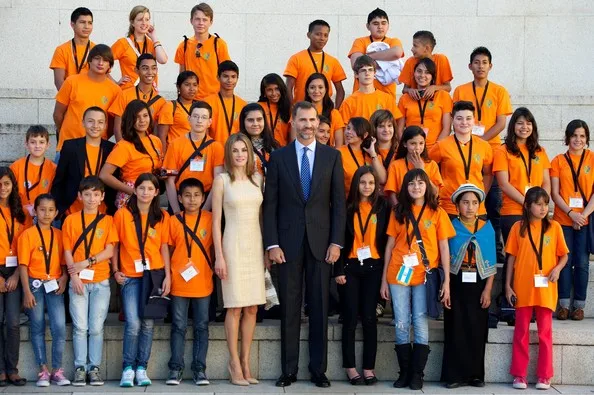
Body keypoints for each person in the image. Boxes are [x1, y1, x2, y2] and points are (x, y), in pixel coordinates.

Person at [263, 101, 346, 388]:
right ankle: (289, 370)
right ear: (294, 123)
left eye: (312, 120)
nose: (308, 125)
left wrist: (337, 242)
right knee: (289, 309)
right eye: (303, 120)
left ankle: (318, 370)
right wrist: (272, 244)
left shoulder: (332, 157)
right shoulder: (278, 158)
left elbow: (338, 205)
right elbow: (270, 206)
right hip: (287, 246)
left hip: (322, 245)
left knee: (320, 308)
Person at [380, 168, 454, 390]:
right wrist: (383, 279)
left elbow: (444, 247)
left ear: (427, 186)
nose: (416, 187)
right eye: (411, 183)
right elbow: (390, 245)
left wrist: (447, 281)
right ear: (405, 187)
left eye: (421, 183)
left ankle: (417, 374)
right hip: (398, 271)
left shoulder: (437, 212)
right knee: (402, 321)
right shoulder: (398, 211)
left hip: (425, 275)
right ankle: (404, 372)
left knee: (420, 321)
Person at [211, 133, 265, 386]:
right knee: (234, 307)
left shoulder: (257, 179)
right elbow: (215, 222)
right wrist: (219, 255)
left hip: (255, 246)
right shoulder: (221, 180)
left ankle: (246, 361)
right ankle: (233, 363)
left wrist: (266, 251)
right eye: (235, 150)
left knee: (252, 307)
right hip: (232, 245)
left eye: (244, 149)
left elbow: (262, 218)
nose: (240, 154)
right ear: (229, 154)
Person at [453, 46, 513, 264]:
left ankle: (496, 249)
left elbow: (501, 123)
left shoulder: (499, 91)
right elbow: (457, 119)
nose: (480, 66)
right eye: (476, 62)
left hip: (491, 153)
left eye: (484, 62)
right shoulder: (460, 90)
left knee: (492, 204)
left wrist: (479, 142)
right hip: (464, 152)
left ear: (490, 66)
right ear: (470, 66)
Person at [505, 187, 568, 390]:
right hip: (523, 286)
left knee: (545, 333)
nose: (543, 208)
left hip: (546, 288)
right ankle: (519, 375)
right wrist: (507, 285)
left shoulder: (555, 227)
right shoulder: (517, 227)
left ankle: (544, 375)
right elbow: (511, 258)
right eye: (538, 204)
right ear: (527, 205)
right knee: (521, 331)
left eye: (545, 204)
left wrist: (557, 269)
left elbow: (564, 255)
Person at [112, 173, 170, 387]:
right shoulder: (122, 214)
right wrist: (116, 270)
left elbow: (164, 247)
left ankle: (141, 367)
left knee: (147, 324)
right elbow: (115, 245)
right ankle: (127, 367)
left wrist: (168, 277)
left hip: (154, 275)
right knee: (133, 323)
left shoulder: (163, 217)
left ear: (156, 193)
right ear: (135, 190)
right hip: (130, 276)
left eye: (150, 189)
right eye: (142, 188)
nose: (146, 192)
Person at [334, 166, 388, 386]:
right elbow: (337, 239)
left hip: (374, 268)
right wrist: (338, 269)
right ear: (356, 183)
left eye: (371, 183)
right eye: (363, 182)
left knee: (369, 318)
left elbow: (388, 239)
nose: (367, 187)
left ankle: (368, 367)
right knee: (349, 319)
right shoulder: (346, 208)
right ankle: (350, 367)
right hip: (350, 266)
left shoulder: (383, 207)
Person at [62, 177, 118, 386]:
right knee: (80, 327)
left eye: (96, 194)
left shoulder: (107, 220)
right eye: (87, 194)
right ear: (79, 196)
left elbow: (110, 250)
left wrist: (87, 262)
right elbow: (67, 250)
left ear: (102, 197)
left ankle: (93, 368)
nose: (91, 199)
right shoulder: (70, 220)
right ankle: (79, 368)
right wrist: (74, 275)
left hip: (101, 279)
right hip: (78, 282)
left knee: (96, 327)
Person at [441, 184, 496, 388]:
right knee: (455, 328)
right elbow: (444, 258)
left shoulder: (487, 228)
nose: (470, 207)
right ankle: (454, 375)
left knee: (476, 328)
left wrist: (488, 290)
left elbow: (491, 260)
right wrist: (445, 286)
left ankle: (475, 375)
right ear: (457, 206)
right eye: (465, 203)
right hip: (456, 281)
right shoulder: (450, 227)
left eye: (474, 203)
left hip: (479, 283)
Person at [18, 194, 69, 387]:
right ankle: (43, 370)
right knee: (37, 326)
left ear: (56, 212)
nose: (46, 214)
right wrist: (27, 292)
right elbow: (23, 266)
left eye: (50, 210)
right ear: (35, 211)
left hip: (54, 285)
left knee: (59, 326)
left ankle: (57, 370)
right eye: (42, 209)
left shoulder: (60, 235)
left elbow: (65, 263)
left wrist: (64, 278)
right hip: (34, 285)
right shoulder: (27, 235)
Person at [166, 178, 213, 386]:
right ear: (179, 198)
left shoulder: (211, 219)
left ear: (203, 198)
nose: (192, 199)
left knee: (202, 326)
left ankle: (199, 369)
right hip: (178, 282)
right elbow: (166, 250)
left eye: (196, 195)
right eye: (187, 195)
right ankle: (175, 368)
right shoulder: (173, 220)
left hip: (203, 281)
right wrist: (167, 275)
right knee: (178, 326)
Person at [550, 120, 594, 320]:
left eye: (582, 136)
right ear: (567, 137)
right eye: (574, 135)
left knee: (582, 263)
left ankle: (579, 306)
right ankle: (564, 305)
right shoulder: (558, 161)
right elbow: (555, 193)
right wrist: (571, 214)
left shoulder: (592, 159)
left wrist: (582, 215)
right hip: (563, 220)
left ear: (587, 139)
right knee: (565, 262)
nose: (578, 139)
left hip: (585, 220)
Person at [494, 107, 551, 244]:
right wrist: (528, 203)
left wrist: (541, 203)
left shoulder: (540, 151)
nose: (524, 127)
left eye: (528, 123)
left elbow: (546, 182)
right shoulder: (502, 151)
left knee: (534, 253)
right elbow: (504, 184)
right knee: (515, 256)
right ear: (513, 126)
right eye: (520, 123)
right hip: (513, 210)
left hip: (536, 211)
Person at [430, 101, 493, 219]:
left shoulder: (484, 146)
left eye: (468, 118)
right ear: (453, 119)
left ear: (474, 120)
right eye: (459, 118)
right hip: (449, 206)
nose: (464, 122)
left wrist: (481, 195)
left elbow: (488, 174)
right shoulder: (441, 145)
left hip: (476, 208)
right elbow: (428, 168)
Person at [53, 44, 120, 154]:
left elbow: (113, 122)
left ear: (110, 66)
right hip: (68, 146)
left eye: (105, 60)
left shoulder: (115, 90)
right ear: (89, 61)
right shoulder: (71, 82)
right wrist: (64, 133)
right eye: (97, 58)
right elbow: (58, 114)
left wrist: (100, 136)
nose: (100, 63)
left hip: (96, 149)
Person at [52, 107, 116, 218]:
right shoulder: (70, 147)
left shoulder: (112, 149)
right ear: (83, 123)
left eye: (100, 122)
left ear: (105, 125)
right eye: (90, 121)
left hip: (102, 211)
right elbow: (59, 180)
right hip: (72, 211)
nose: (95, 126)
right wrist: (59, 208)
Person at [100, 100, 163, 209]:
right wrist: (133, 191)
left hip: (150, 194)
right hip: (131, 197)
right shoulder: (124, 146)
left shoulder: (156, 141)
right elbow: (104, 175)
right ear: (130, 120)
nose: (142, 120)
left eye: (145, 115)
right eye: (137, 117)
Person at [163, 101, 224, 213]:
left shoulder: (217, 147)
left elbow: (218, 180)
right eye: (195, 116)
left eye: (204, 117)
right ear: (189, 119)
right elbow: (169, 180)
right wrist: (177, 211)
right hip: (180, 198)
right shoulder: (175, 144)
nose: (199, 121)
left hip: (206, 199)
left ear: (210, 122)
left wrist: (205, 210)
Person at [0, 167, 27, 387]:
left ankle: (12, 370)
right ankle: (0, 371)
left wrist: (18, 273)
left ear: (13, 185)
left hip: (16, 271)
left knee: (13, 323)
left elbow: (25, 247)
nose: (3, 188)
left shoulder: (20, 212)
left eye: (7, 183)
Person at [174, 2, 231, 100]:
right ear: (191, 21)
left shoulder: (219, 44)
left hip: (214, 98)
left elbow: (227, 72)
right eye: (197, 19)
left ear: (211, 22)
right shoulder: (184, 45)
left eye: (205, 20)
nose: (201, 23)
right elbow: (182, 75)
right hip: (191, 99)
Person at [284, 20, 346, 106]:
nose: (322, 38)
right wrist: (292, 109)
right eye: (318, 34)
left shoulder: (333, 61)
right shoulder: (296, 58)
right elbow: (288, 88)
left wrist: (336, 110)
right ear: (308, 35)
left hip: (325, 111)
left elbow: (340, 90)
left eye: (325, 35)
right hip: (302, 109)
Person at [396, 58, 452, 149]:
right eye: (419, 71)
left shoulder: (443, 96)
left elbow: (447, 128)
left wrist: (435, 149)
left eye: (427, 72)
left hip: (436, 148)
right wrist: (406, 148)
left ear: (432, 76)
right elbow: (399, 129)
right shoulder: (405, 98)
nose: (422, 75)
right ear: (414, 74)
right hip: (411, 149)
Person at [348, 8, 404, 98]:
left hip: (386, 96)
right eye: (375, 23)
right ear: (368, 26)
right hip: (361, 96)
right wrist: (387, 61)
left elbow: (397, 53)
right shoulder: (360, 41)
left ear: (388, 25)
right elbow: (356, 64)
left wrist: (368, 56)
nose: (380, 27)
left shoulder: (393, 41)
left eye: (383, 23)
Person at [109, 54, 167, 141]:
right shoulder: (124, 95)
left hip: (148, 148)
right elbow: (117, 129)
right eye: (145, 68)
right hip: (127, 145)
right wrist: (122, 148)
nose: (150, 72)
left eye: (153, 68)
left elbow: (157, 132)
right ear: (136, 70)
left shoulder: (161, 101)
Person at [111, 5, 167, 90]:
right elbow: (103, 63)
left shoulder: (152, 43)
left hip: (150, 93)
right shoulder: (123, 43)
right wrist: (115, 83)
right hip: (130, 93)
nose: (144, 23)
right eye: (140, 20)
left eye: (147, 19)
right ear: (132, 22)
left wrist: (154, 38)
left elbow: (163, 60)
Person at [10, 126, 57, 227]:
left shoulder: (53, 168)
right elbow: (10, 192)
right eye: (33, 142)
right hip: (20, 214)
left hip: (43, 217)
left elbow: (54, 194)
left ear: (48, 145)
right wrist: (20, 208)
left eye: (41, 142)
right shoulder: (16, 166)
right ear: (26, 144)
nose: (37, 146)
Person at [384, 126, 443, 207]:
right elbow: (391, 193)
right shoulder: (395, 165)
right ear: (405, 144)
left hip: (426, 211)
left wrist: (422, 171)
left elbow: (435, 193)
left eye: (421, 143)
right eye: (413, 143)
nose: (417, 148)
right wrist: (398, 210)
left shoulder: (432, 164)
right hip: (402, 211)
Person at [340, 55, 402, 124]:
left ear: (375, 73)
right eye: (363, 70)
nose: (367, 73)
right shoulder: (348, 103)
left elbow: (396, 122)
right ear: (356, 74)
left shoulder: (387, 99)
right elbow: (345, 130)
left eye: (370, 70)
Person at [49, 7, 95, 91]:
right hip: (70, 100)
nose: (87, 26)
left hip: (92, 99)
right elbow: (59, 82)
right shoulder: (62, 50)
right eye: (82, 22)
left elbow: (104, 77)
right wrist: (73, 98)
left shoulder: (96, 50)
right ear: (72, 24)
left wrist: (117, 84)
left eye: (90, 23)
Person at [338, 117, 386, 195]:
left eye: (354, 130)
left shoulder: (372, 154)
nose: (349, 132)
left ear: (365, 135)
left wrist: (373, 154)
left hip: (370, 202)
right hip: (348, 202)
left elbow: (382, 179)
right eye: (348, 128)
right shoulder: (338, 153)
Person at [204, 61, 247, 146]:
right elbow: (203, 132)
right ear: (218, 77)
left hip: (236, 152)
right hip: (213, 151)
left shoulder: (243, 105)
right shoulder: (207, 103)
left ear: (237, 78)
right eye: (225, 76)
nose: (229, 80)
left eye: (233, 77)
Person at [400, 30, 453, 99]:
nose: (412, 49)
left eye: (415, 46)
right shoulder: (410, 62)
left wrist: (434, 88)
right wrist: (410, 90)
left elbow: (448, 87)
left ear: (426, 48)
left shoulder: (441, 59)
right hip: (415, 103)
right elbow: (404, 89)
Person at [157, 71, 198, 148]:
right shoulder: (170, 106)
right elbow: (162, 137)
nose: (192, 89)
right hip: (176, 154)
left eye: (195, 85)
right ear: (178, 87)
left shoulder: (200, 107)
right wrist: (164, 158)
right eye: (187, 85)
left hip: (196, 154)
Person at [239, 103, 280, 176]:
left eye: (259, 119)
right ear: (243, 122)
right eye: (250, 120)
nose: (255, 123)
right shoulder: (238, 146)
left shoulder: (274, 145)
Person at [304, 73, 345, 146]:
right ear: (307, 90)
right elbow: (294, 140)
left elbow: (339, 146)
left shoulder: (334, 114)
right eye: (312, 87)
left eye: (320, 87)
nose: (316, 91)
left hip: (328, 155)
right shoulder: (300, 112)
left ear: (326, 90)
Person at [258, 73, 292, 146]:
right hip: (263, 151)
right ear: (264, 92)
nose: (274, 93)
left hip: (282, 152)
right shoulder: (258, 108)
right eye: (269, 90)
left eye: (277, 89)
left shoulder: (289, 109)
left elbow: (291, 137)